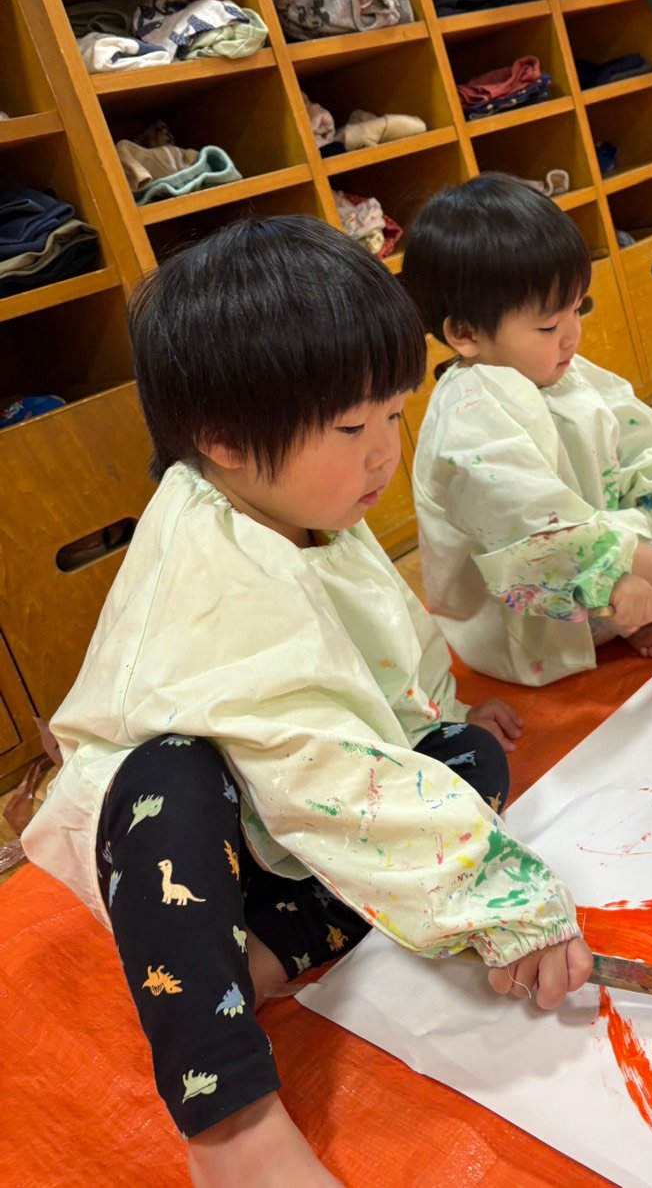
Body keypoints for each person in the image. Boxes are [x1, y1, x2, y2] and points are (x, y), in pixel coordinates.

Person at [21, 217, 592, 1188]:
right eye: (352, 430)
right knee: (170, 781)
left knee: (468, 757)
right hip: (182, 847)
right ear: (225, 439)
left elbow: (379, 642)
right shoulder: (216, 567)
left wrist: (432, 719)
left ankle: (256, 960)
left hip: (288, 808)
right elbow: (319, 765)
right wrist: (500, 899)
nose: (384, 456)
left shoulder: (299, 500)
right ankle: (231, 1126)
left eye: (394, 417)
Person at [403, 175, 652, 687]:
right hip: (529, 613)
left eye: (577, 308)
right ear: (465, 333)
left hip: (591, 549)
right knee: (648, 567)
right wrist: (611, 580)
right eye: (548, 325)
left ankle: (642, 606)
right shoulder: (469, 421)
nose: (572, 334)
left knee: (648, 543)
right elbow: (528, 526)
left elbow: (638, 445)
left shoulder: (562, 371)